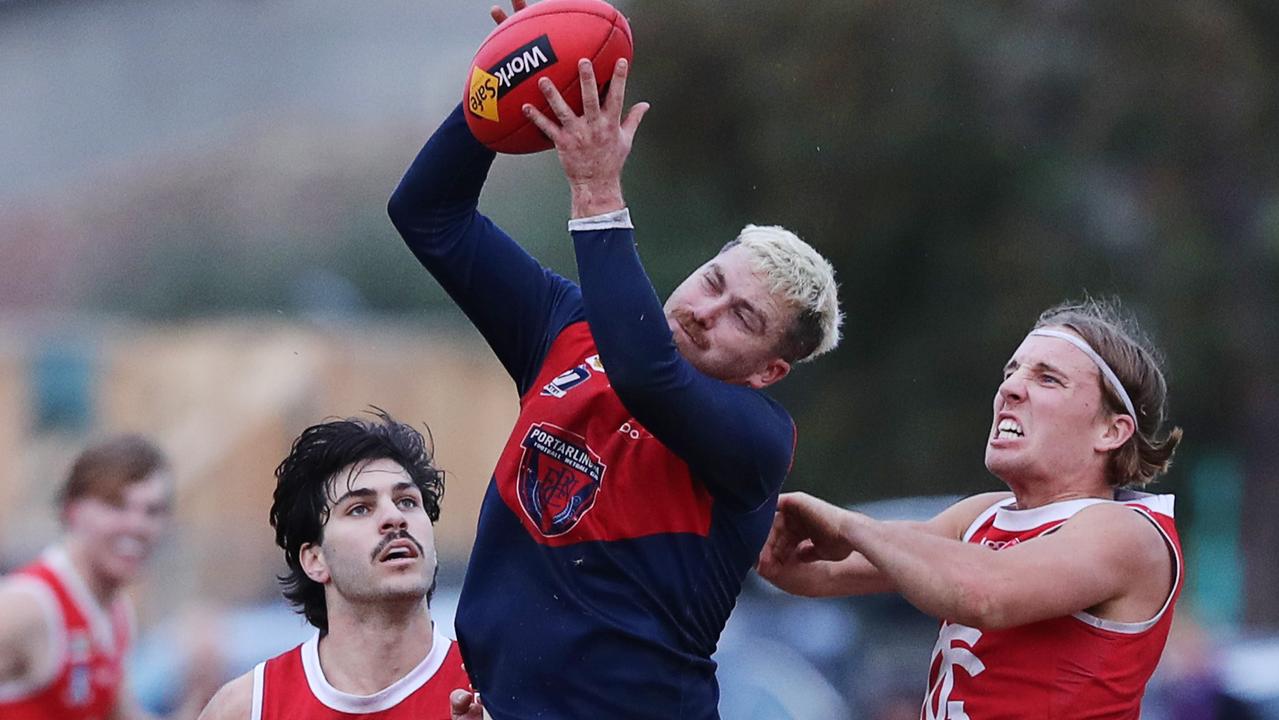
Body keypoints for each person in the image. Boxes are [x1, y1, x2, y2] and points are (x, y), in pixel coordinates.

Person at [387, 2, 842, 717]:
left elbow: (645, 375)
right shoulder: (566, 328)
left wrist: (597, 190)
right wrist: (499, 84)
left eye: (742, 318)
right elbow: (428, 213)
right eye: (713, 281)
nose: (703, 309)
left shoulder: (756, 441)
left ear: (766, 371)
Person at [758, 298, 1185, 719]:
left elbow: (984, 593)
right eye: (1012, 372)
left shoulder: (1128, 533)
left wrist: (849, 526)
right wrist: (756, 527)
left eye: (1048, 379)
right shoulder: (982, 514)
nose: (1010, 388)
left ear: (1112, 431)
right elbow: (819, 570)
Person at [197, 411, 471, 720]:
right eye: (359, 509)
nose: (395, 518)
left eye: (407, 501)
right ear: (315, 560)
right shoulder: (249, 707)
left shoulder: (493, 691)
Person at [0, 434, 212, 720]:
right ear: (72, 510)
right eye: (117, 506)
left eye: (152, 511)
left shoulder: (117, 612)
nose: (137, 525)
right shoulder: (29, 606)